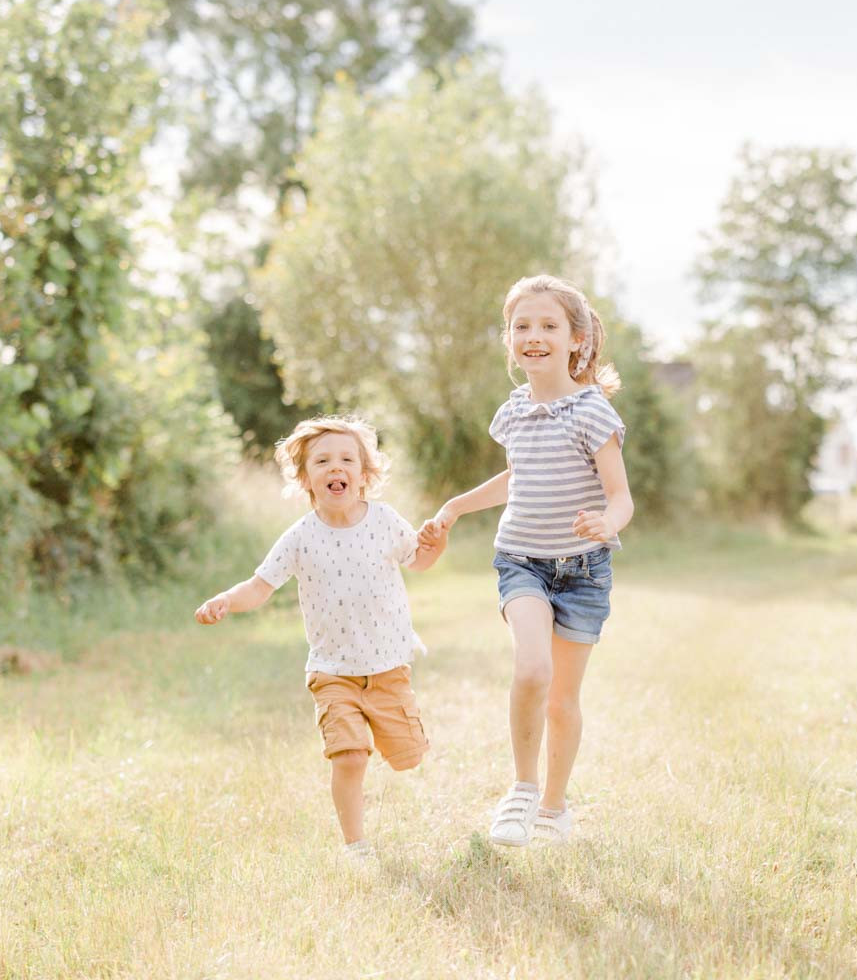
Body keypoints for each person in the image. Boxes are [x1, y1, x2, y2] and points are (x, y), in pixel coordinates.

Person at [418, 274, 633, 847]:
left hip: (583, 572)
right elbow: (518, 477)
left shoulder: (592, 412)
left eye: (548, 325)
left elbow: (621, 495)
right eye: (522, 326)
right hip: (522, 561)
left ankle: (554, 808)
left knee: (562, 700)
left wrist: (608, 522)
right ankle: (521, 789)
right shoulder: (513, 413)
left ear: (576, 339)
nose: (533, 336)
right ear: (509, 340)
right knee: (532, 670)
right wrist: (456, 506)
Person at [196, 415, 441, 863]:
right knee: (350, 757)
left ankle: (386, 734)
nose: (335, 467)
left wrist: (435, 545)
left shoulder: (385, 520)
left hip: (388, 666)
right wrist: (226, 600)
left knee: (409, 758)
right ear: (305, 477)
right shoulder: (300, 538)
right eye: (322, 461)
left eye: (347, 459)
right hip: (332, 671)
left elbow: (418, 561)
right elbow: (259, 586)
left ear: (363, 474)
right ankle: (355, 846)